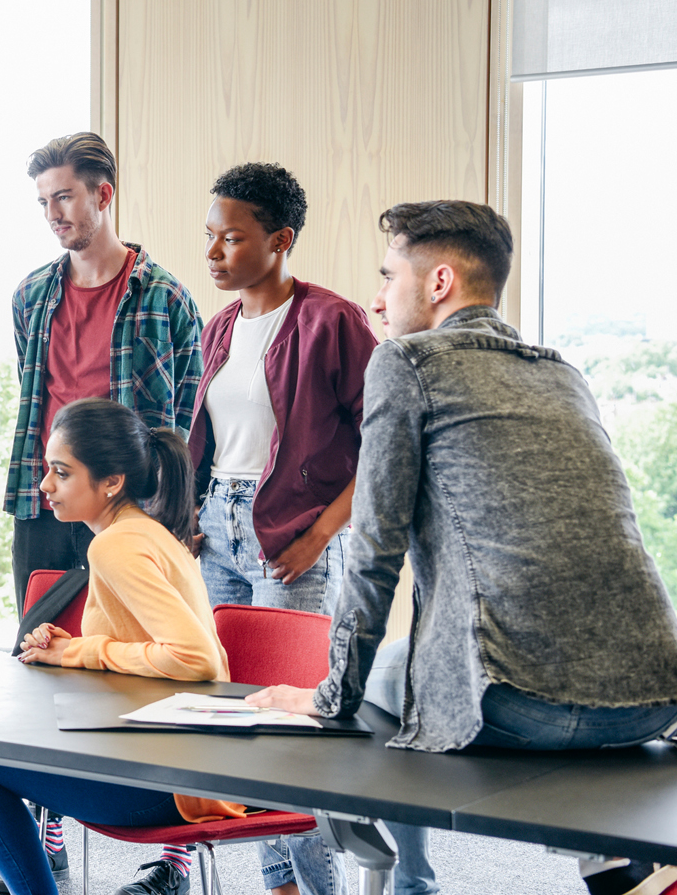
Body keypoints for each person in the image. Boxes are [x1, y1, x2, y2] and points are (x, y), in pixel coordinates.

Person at [247, 200, 677, 895]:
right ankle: (619, 866)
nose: (377, 297)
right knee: (421, 671)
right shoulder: (565, 372)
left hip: (513, 702)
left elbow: (376, 544)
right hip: (653, 697)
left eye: (389, 275)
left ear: (439, 281)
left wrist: (328, 698)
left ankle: (392, 877)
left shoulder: (407, 362)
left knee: (383, 680)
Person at [0, 398, 264, 895]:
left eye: (61, 473)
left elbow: (195, 659)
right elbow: (149, 651)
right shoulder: (149, 533)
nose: (45, 486)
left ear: (112, 482)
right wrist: (71, 646)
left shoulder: (114, 544)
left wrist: (83, 651)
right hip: (194, 770)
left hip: (172, 783)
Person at [4, 133, 203, 893]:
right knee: (45, 654)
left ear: (103, 194)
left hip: (137, 507)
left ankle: (175, 855)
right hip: (48, 500)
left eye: (65, 197)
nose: (55, 213)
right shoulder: (31, 294)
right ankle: (48, 824)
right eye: (44, 201)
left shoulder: (166, 298)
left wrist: (177, 515)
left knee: (156, 661)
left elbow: (183, 415)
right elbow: (32, 392)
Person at [189, 164, 377, 895]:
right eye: (209, 236)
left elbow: (382, 449)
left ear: (280, 239)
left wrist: (322, 536)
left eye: (230, 238)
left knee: (293, 727)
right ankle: (282, 885)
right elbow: (211, 439)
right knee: (240, 720)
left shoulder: (334, 320)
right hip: (221, 528)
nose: (213, 253)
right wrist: (194, 517)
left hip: (297, 534)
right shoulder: (220, 328)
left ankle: (327, 884)